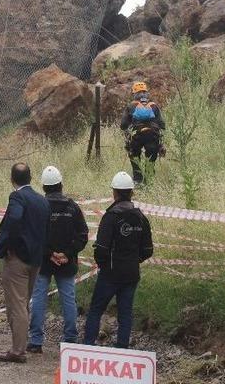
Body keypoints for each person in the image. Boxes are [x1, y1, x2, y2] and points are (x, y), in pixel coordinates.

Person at [83, 171, 154, 349]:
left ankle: (88, 347)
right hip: (131, 274)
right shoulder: (141, 218)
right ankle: (122, 348)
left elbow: (101, 248)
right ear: (132, 192)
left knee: (96, 310)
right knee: (125, 313)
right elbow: (148, 250)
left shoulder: (111, 216)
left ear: (114, 193)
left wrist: (105, 265)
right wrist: (134, 260)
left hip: (110, 274)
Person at [26, 166, 90, 353]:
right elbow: (82, 235)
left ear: (43, 187)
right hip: (66, 262)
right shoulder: (72, 207)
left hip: (43, 261)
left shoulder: (38, 207)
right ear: (61, 184)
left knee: (38, 298)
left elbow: (33, 235)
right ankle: (70, 339)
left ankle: (36, 341)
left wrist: (49, 254)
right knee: (68, 299)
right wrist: (67, 253)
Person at [0, 162, 50, 364]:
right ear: (30, 178)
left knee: (17, 304)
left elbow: (15, 219)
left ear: (12, 179)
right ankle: (20, 346)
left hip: (18, 259)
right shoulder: (42, 201)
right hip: (35, 259)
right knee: (23, 303)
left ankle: (18, 350)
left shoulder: (17, 197)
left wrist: (11, 245)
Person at [121, 82, 166, 185]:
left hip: (136, 136)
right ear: (146, 93)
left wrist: (128, 129)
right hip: (152, 135)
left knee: (134, 155)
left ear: (134, 94)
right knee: (151, 156)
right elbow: (162, 124)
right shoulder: (153, 106)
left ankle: (137, 179)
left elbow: (123, 125)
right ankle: (149, 180)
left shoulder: (131, 106)